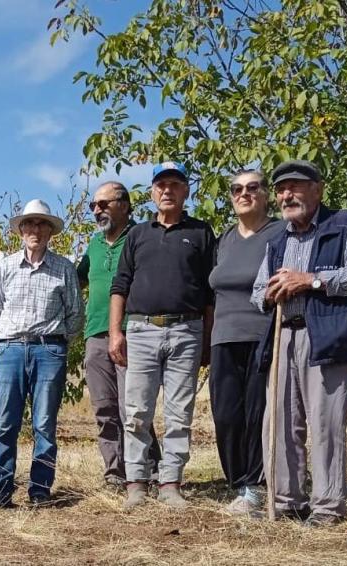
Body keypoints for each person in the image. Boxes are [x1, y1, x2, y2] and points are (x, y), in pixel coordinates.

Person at [252, 160, 347, 527]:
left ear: (318, 189)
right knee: (279, 422)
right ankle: (287, 502)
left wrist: (311, 280)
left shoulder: (346, 223)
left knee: (325, 423)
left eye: (296, 186)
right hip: (283, 333)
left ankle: (327, 508)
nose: (287, 194)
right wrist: (269, 294)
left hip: (329, 334)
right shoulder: (276, 240)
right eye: (281, 189)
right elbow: (258, 292)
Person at [109, 162, 216, 510]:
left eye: (174, 184)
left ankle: (170, 483)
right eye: (161, 185)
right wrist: (115, 332)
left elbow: (211, 292)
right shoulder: (138, 234)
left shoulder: (201, 233)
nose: (167, 190)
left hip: (187, 329)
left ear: (186, 191)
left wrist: (207, 337)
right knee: (137, 412)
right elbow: (120, 286)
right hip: (140, 330)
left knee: (179, 413)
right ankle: (136, 484)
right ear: (152, 193)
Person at [0, 199, 84, 507]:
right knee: (6, 424)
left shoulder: (64, 268)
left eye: (42, 224)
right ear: (21, 230)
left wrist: (55, 343)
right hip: (10, 349)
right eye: (30, 224)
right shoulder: (5, 267)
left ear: (50, 231)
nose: (36, 230)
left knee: (44, 424)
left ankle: (40, 492)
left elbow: (76, 315)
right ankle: (1, 493)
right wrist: (6, 340)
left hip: (48, 351)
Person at [208, 170, 284, 515]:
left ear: (266, 194)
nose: (244, 193)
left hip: (263, 335)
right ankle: (239, 483)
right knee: (226, 415)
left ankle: (256, 488)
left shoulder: (280, 232)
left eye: (253, 187)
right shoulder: (224, 238)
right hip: (222, 338)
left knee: (257, 413)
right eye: (237, 189)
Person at [77, 181, 161, 491]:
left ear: (124, 205)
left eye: (103, 204)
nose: (97, 210)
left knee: (134, 406)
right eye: (93, 206)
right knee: (104, 408)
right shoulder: (95, 244)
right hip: (94, 334)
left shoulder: (141, 237)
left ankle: (149, 470)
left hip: (133, 332)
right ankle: (115, 472)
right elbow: (77, 279)